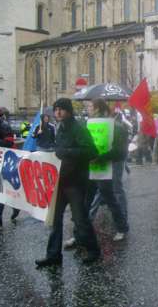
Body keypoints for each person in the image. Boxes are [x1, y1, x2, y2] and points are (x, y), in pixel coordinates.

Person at [35, 98, 100, 267]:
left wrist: (66, 152)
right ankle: (53, 255)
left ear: (68, 111)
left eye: (61, 109)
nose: (57, 112)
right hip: (61, 181)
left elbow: (92, 151)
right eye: (56, 109)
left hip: (76, 182)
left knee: (80, 219)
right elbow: (59, 151)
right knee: (55, 219)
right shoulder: (60, 127)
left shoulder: (78, 128)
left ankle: (93, 250)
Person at [84, 99, 129, 241]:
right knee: (89, 197)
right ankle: (81, 229)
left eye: (90, 106)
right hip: (94, 165)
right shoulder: (89, 125)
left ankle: (122, 225)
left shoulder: (116, 126)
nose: (88, 109)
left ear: (98, 109)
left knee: (112, 194)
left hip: (110, 165)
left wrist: (101, 158)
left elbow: (120, 152)